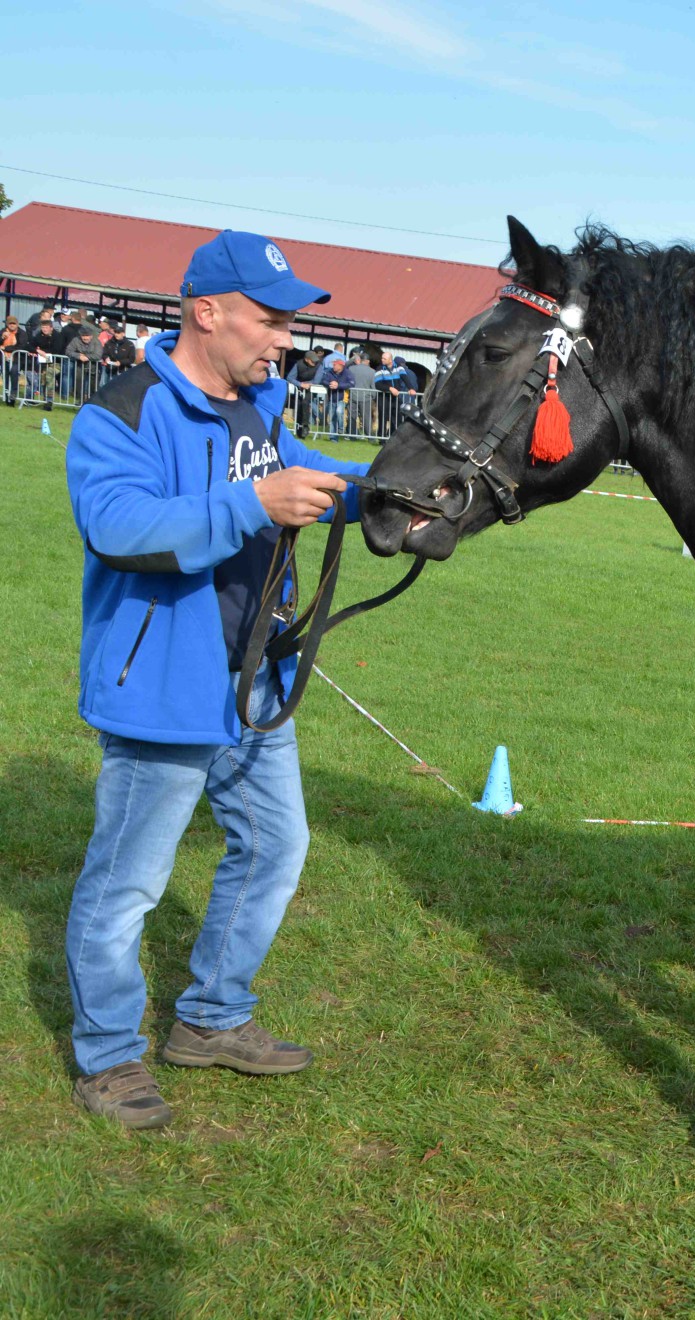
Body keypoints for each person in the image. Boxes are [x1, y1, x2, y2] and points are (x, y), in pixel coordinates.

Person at [63, 229, 371, 1130]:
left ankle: (211, 1017)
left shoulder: (261, 410)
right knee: (127, 884)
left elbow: (316, 476)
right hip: (164, 687)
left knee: (275, 847)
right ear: (208, 312)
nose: (284, 339)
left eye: (288, 323)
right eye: (269, 320)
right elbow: (118, 526)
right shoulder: (122, 411)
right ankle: (108, 1056)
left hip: (255, 681)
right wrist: (251, 504)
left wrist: (397, 489)